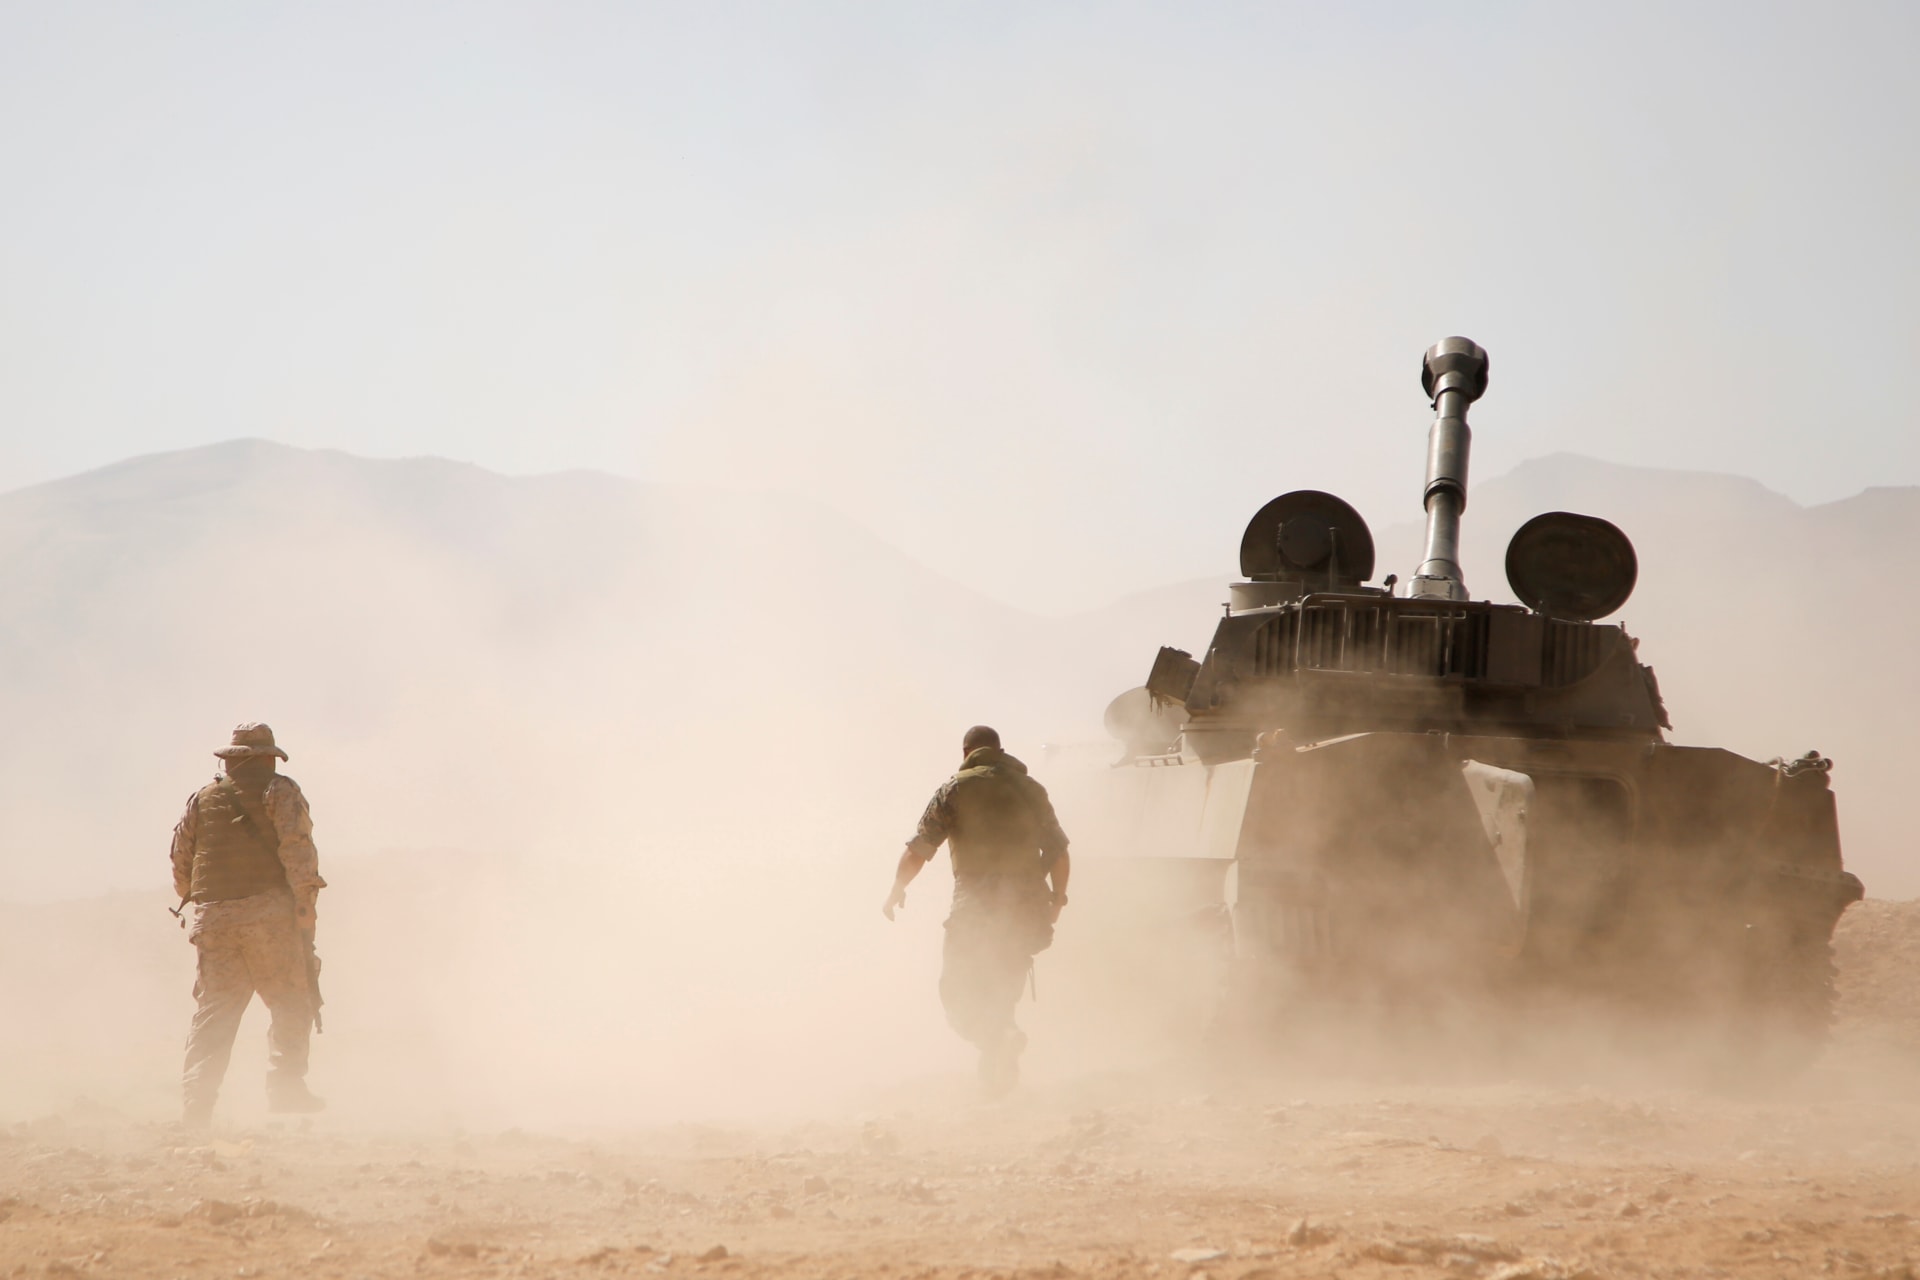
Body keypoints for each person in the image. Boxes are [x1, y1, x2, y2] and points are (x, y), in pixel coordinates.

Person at [884, 725, 1070, 1094]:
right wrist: (1057, 901)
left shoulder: (954, 789)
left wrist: (897, 888)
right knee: (1004, 991)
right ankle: (1001, 1064)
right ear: (1000, 750)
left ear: (966, 751)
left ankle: (1000, 1036)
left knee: (958, 993)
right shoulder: (1031, 790)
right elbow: (1059, 851)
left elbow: (920, 849)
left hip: (977, 906)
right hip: (1028, 906)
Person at [169, 722, 326, 1127]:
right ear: (268, 757)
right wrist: (305, 903)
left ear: (231, 760)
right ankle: (286, 1089)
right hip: (268, 916)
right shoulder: (280, 791)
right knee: (292, 999)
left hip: (213, 920)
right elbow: (297, 849)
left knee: (215, 1012)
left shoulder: (201, 800)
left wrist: (208, 903)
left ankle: (197, 1103)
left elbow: (182, 864)